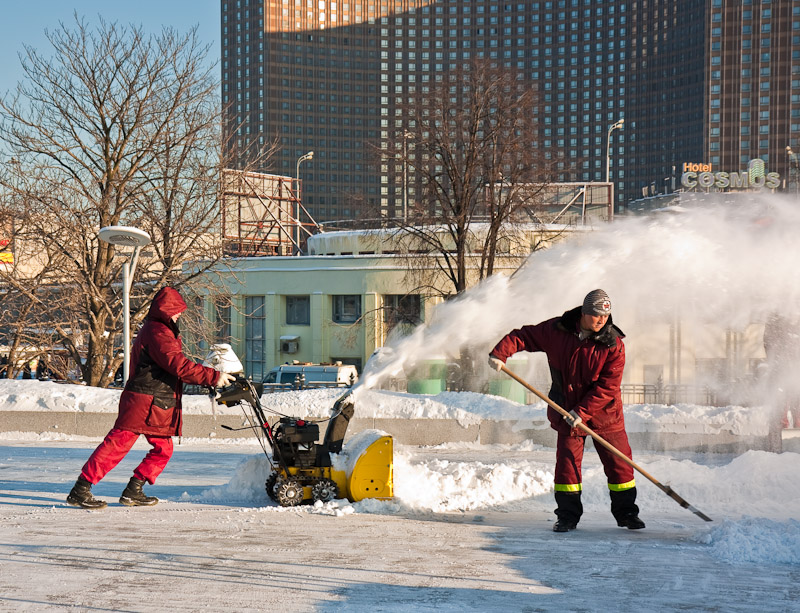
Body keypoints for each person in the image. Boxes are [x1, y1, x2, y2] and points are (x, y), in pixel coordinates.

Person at [488, 289, 644, 532]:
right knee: (567, 468)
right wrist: (500, 353)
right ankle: (567, 517)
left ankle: (627, 514)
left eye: (605, 316)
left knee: (620, 466)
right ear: (584, 313)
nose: (601, 321)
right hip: (565, 409)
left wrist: (582, 411)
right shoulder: (557, 331)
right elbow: (524, 336)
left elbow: (608, 386)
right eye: (596, 316)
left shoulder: (613, 344)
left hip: (605, 415)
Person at [66, 286, 235, 509]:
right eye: (177, 309)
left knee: (162, 449)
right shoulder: (159, 332)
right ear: (166, 310)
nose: (180, 314)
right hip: (144, 400)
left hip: (156, 401)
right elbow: (178, 365)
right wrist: (213, 377)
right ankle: (81, 489)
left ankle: (134, 490)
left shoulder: (160, 329)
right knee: (117, 445)